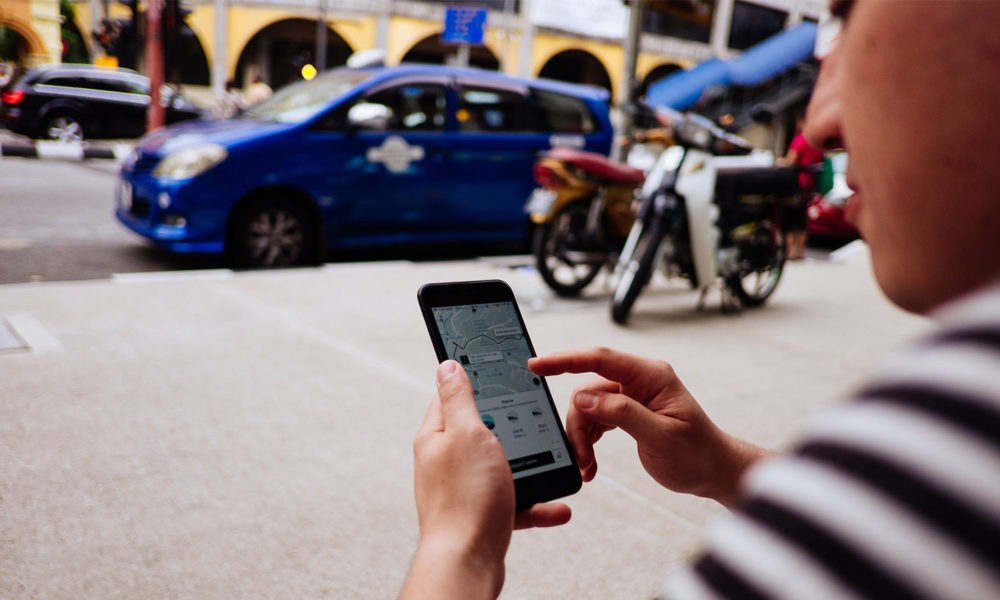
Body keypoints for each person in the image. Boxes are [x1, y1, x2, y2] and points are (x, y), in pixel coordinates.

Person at [400, 2, 1000, 599]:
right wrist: (717, 463)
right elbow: (885, 529)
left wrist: (457, 546)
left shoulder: (968, 412)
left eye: (846, 13)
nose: (818, 122)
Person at [778, 117, 825, 259]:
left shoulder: (800, 140)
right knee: (802, 221)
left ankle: (789, 253)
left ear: (802, 122)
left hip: (795, 185)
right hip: (810, 187)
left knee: (789, 221)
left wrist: (780, 162)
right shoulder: (816, 143)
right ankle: (799, 252)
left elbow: (790, 161)